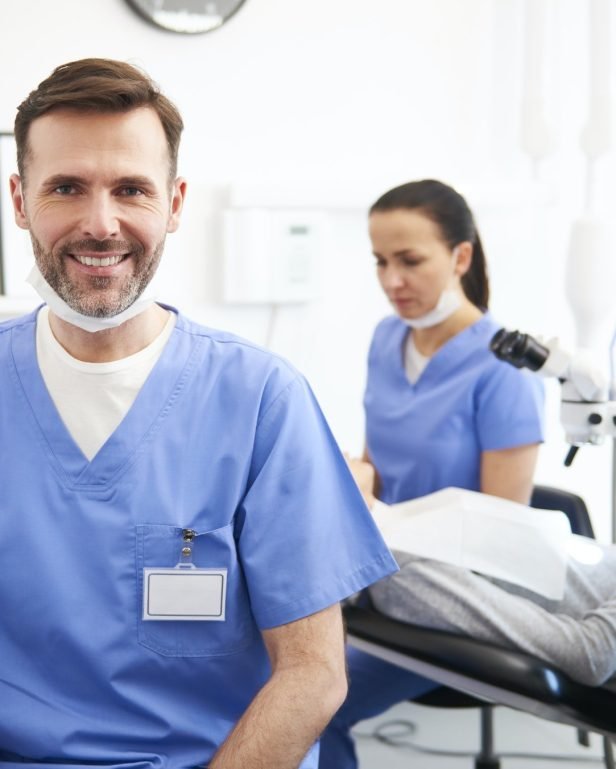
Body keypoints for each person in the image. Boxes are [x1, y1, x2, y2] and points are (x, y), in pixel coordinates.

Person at [0, 58, 398, 769]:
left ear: (175, 203)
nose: (101, 223)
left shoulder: (260, 401)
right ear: (20, 200)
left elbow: (312, 674)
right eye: (66, 187)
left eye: (131, 189)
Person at [319, 179, 545, 768]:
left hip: (452, 599)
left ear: (460, 257)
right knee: (255, 666)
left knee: (315, 702)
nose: (393, 280)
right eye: (380, 261)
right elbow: (376, 468)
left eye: (410, 260)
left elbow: (500, 541)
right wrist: (354, 478)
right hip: (382, 573)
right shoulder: (386, 338)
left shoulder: (503, 371)